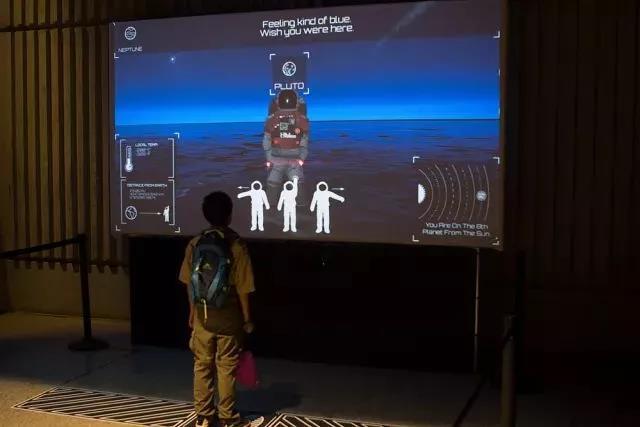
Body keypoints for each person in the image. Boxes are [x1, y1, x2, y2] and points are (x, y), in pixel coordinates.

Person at [179, 192, 258, 427]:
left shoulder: (196, 243)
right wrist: (247, 319)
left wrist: (192, 312)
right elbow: (244, 287)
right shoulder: (236, 245)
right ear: (230, 215)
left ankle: (203, 416)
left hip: (203, 314)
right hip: (229, 315)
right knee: (226, 366)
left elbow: (189, 282)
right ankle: (227, 417)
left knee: (202, 364)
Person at [263, 89, 309, 203]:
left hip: (276, 159)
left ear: (278, 102)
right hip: (294, 160)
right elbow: (304, 142)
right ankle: (301, 207)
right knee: (297, 186)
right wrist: (301, 159)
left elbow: (266, 141)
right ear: (296, 102)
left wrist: (269, 158)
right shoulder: (302, 120)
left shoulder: (271, 119)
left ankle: (270, 208)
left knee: (273, 185)